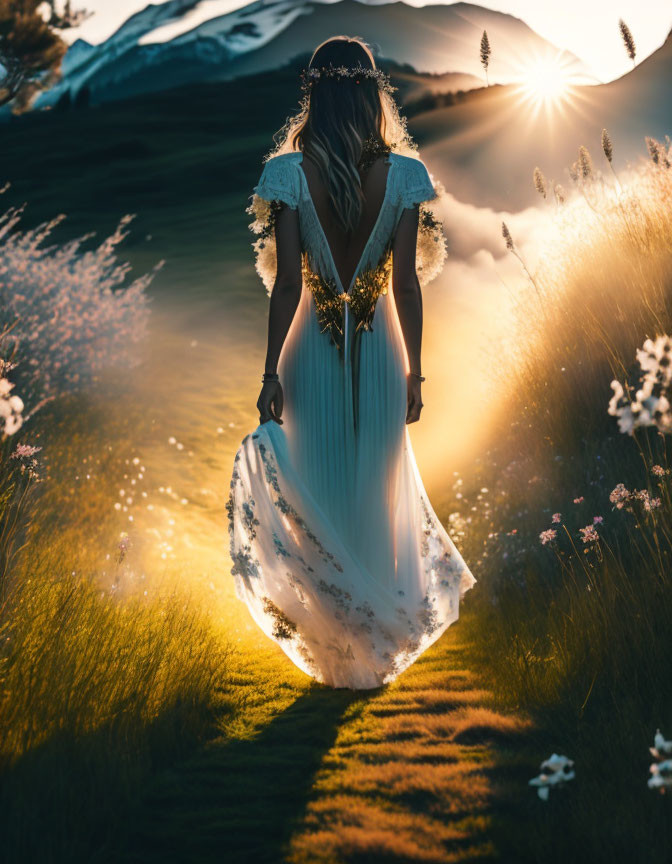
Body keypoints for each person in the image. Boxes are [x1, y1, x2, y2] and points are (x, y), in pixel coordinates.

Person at [228, 35, 475, 689]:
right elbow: (406, 285)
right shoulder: (401, 176)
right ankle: (370, 655)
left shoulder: (288, 172)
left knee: (322, 494)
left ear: (317, 92)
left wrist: (271, 372)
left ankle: (337, 657)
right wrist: (414, 373)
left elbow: (287, 285)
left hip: (311, 347)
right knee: (372, 487)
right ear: (371, 92)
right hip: (378, 345)